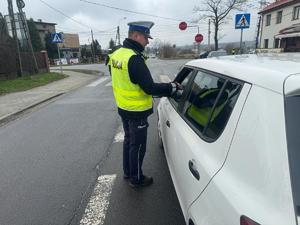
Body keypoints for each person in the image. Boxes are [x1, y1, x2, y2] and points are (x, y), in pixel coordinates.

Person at [108, 21, 182, 188]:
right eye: (146, 38)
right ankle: (137, 178)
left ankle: (128, 172)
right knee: (138, 145)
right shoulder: (134, 59)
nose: (148, 42)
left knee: (129, 141)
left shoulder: (116, 54)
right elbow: (149, 87)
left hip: (123, 108)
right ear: (135, 36)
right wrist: (171, 87)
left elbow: (118, 79)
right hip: (137, 111)